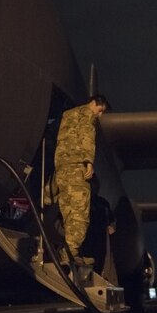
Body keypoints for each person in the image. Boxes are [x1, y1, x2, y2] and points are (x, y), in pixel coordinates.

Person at [54, 94, 109, 263]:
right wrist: (88, 162)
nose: (99, 115)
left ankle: (67, 251)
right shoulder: (87, 115)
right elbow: (86, 138)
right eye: (100, 110)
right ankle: (72, 253)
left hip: (62, 170)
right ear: (93, 103)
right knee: (80, 213)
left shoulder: (68, 114)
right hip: (76, 168)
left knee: (68, 211)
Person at [81, 175, 117, 276]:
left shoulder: (102, 203)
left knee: (98, 263)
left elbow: (112, 220)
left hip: (99, 240)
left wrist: (112, 226)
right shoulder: (81, 202)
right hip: (86, 239)